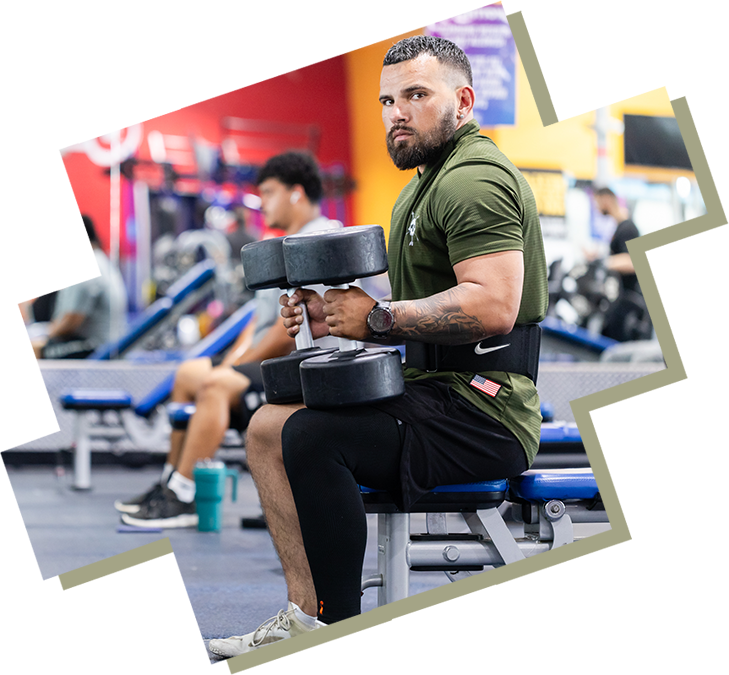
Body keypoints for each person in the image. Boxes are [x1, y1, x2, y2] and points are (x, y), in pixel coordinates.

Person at [209, 35, 548, 659]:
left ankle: (337, 633)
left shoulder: (474, 179)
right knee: (265, 427)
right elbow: (409, 299)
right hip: (433, 392)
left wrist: (380, 319)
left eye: (417, 95)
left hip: (486, 408)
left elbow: (494, 306)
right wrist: (329, 310)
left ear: (464, 100)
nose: (397, 112)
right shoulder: (422, 184)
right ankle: (304, 611)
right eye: (388, 99)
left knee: (315, 434)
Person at [117, 151, 341, 528]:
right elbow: (258, 319)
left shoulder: (320, 240)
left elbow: (291, 329)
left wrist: (235, 369)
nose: (261, 203)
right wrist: (232, 362)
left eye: (268, 193)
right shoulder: (286, 243)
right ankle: (171, 484)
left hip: (307, 368)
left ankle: (187, 495)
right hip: (276, 363)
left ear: (296, 194)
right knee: (190, 373)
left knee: (218, 384)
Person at [30, 215, 128, 360]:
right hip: (107, 344)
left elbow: (71, 321)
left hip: (94, 348)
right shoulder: (101, 260)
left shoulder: (87, 266)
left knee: (36, 347)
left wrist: (45, 334)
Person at [592, 187, 651, 341]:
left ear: (607, 200)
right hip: (619, 298)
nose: (597, 208)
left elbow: (631, 261)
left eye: (598, 203)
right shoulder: (620, 227)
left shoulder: (628, 228)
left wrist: (603, 262)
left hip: (629, 299)